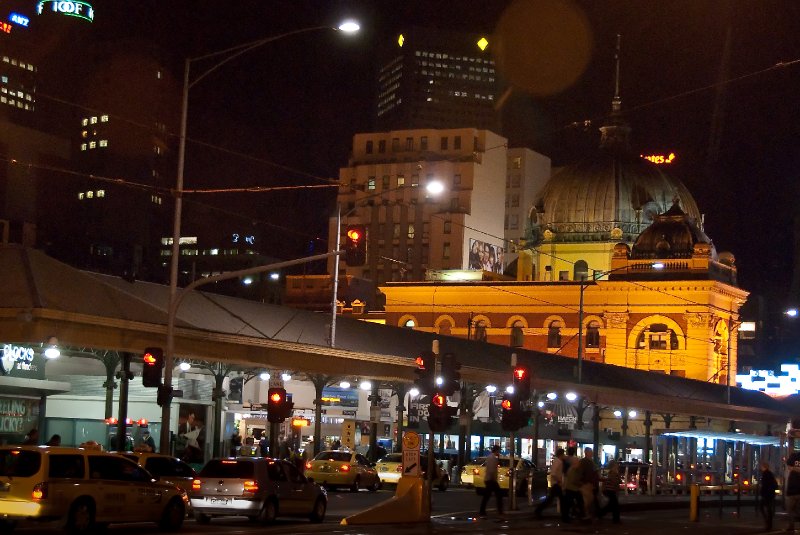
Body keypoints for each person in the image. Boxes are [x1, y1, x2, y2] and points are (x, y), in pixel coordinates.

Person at [535, 447, 565, 518]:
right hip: (556, 484)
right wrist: (559, 481)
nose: (564, 456)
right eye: (563, 454)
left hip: (556, 484)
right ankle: (564, 515)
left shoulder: (556, 461)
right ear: (561, 454)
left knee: (553, 500)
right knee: (557, 500)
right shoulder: (558, 462)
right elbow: (554, 473)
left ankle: (564, 515)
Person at [479, 444, 503, 517]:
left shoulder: (490, 457)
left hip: (489, 479)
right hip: (491, 479)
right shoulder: (493, 458)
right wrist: (493, 479)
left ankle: (482, 510)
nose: (499, 452)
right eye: (499, 450)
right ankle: (499, 510)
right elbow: (492, 470)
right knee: (498, 494)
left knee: (487, 496)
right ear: (496, 450)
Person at [576, 447, 600, 520]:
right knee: (588, 500)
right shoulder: (585, 462)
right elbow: (583, 472)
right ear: (586, 453)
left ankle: (588, 514)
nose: (592, 453)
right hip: (587, 483)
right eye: (590, 452)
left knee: (590, 499)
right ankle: (586, 514)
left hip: (589, 483)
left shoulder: (589, 461)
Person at [562, 446, 582, 522]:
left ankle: (569, 515)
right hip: (572, 484)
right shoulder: (575, 460)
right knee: (574, 500)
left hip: (567, 481)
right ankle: (576, 514)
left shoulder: (565, 459)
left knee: (568, 501)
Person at [598, 459, 621, 524]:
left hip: (610, 490)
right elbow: (604, 479)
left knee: (611, 504)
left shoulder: (613, 472)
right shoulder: (610, 472)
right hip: (609, 490)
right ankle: (616, 519)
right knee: (615, 505)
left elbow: (618, 481)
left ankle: (600, 513)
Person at [759, 461, 778, 531]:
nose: (760, 468)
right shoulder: (770, 474)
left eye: (761, 466)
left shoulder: (765, 474)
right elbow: (775, 484)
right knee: (768, 508)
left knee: (762, 507)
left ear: (764, 467)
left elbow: (764, 485)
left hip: (766, 494)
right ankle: (769, 522)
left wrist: (762, 492)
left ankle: (768, 522)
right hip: (771, 494)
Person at [787, 449, 800, 532]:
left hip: (792, 489)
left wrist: (794, 468)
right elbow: (789, 467)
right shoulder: (794, 456)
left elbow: (790, 467)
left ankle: (791, 526)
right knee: (793, 509)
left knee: (791, 509)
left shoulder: (794, 456)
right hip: (794, 489)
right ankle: (791, 525)